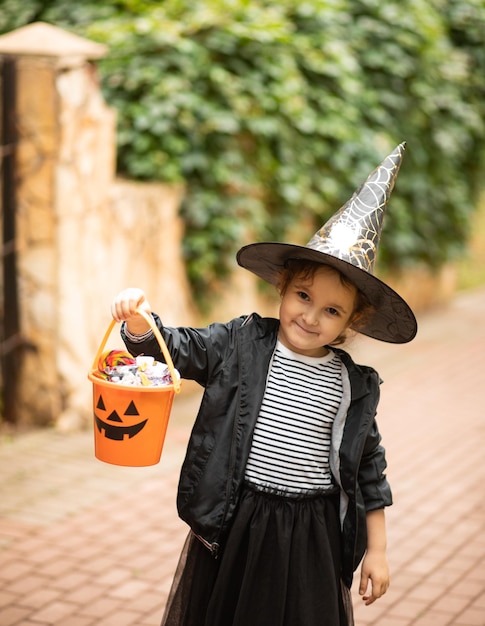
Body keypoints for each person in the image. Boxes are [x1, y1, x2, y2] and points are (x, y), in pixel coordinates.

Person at [110, 143, 417, 626]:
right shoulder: (240, 342)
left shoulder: (353, 385)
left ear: (352, 322)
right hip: (239, 524)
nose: (311, 316)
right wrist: (139, 323)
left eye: (332, 310)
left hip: (311, 535)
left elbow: (369, 474)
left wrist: (377, 550)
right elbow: (177, 349)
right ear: (283, 286)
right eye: (303, 295)